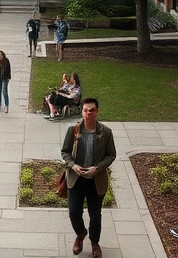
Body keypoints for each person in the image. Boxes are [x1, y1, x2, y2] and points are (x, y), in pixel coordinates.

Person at [61, 98, 116, 258]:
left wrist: (97, 168)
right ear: (82, 111)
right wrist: (73, 165)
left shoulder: (106, 132)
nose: (88, 113)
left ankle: (94, 243)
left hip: (96, 180)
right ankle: (80, 233)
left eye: (91, 110)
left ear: (96, 111)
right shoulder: (74, 130)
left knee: (95, 214)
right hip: (76, 178)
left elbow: (111, 155)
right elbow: (65, 152)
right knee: (74, 212)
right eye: (85, 110)